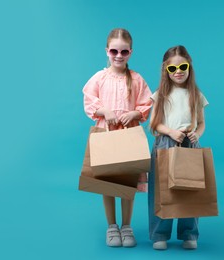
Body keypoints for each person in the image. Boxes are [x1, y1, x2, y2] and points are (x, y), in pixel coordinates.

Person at [82, 28, 152, 247]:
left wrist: (136, 113)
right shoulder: (100, 77)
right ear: (107, 51)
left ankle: (127, 226)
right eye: (114, 51)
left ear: (130, 52)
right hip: (106, 134)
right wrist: (105, 111)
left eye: (124, 52)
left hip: (129, 135)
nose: (118, 56)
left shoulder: (137, 79)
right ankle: (112, 226)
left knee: (127, 182)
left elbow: (147, 102)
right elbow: (89, 98)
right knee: (107, 181)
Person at [148, 45, 209, 250]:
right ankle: (159, 234)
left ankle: (189, 233)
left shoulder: (196, 94)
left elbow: (201, 123)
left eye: (182, 66)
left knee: (191, 189)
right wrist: (171, 132)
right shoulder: (161, 94)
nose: (178, 72)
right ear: (166, 70)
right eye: (172, 68)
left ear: (189, 66)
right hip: (166, 142)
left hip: (189, 143)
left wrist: (196, 134)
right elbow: (153, 124)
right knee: (162, 190)